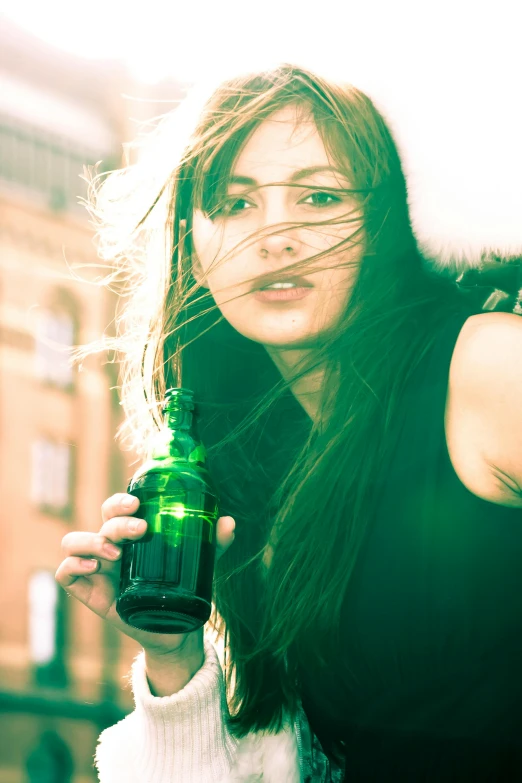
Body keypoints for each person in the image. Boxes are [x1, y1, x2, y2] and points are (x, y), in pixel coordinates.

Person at [55, 63, 522, 782]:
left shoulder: (485, 368)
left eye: (319, 196)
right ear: (192, 240)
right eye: (236, 203)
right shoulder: (256, 477)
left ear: (381, 223)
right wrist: (174, 656)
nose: (276, 234)